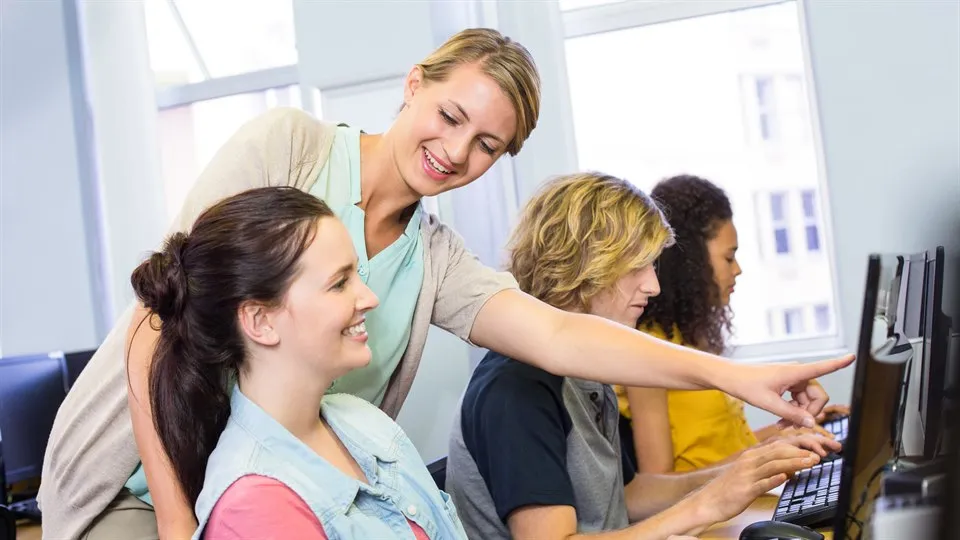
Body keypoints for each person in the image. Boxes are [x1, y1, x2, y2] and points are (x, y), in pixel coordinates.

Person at [40, 29, 850, 540]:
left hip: (288, 495)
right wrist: (177, 521)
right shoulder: (288, 146)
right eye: (452, 115)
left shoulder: (434, 257)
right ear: (414, 84)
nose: (458, 152)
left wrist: (736, 377)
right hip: (142, 480)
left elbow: (559, 334)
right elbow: (160, 321)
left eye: (488, 145)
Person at [445, 173, 834, 539]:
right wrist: (706, 506)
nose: (653, 285)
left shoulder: (587, 371)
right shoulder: (516, 389)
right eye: (637, 265)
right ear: (586, 262)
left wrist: (746, 468)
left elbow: (627, 496)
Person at [130, 187, 466, 539]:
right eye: (340, 283)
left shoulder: (364, 421)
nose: (369, 298)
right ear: (260, 321)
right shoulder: (255, 508)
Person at [618, 174, 849, 474]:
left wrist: (796, 429)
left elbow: (728, 448)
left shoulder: (694, 337)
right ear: (691, 264)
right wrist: (766, 451)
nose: (737, 270)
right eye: (729, 258)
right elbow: (659, 481)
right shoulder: (650, 352)